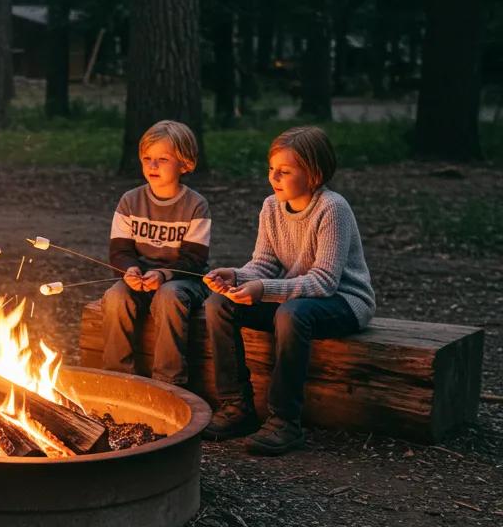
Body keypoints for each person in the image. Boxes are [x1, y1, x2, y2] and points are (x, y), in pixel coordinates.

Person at [202, 125, 375, 455]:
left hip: (343, 300)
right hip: (295, 296)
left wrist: (263, 288)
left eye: (284, 171)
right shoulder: (271, 207)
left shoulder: (332, 209)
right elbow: (263, 265)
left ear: (313, 174)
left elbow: (324, 282)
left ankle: (285, 421)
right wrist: (237, 276)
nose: (274, 178)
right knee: (218, 304)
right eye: (271, 169)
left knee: (291, 313)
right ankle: (237, 407)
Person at [100, 120, 212, 387]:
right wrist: (129, 270)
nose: (152, 166)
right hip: (139, 280)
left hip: (182, 281)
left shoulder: (196, 205)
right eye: (147, 158)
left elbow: (194, 260)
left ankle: (169, 382)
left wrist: (163, 274)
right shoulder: (130, 201)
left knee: (168, 296)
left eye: (162, 159)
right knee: (115, 297)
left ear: (184, 164)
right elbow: (120, 251)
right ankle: (118, 378)